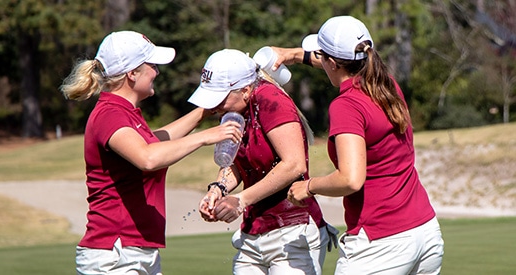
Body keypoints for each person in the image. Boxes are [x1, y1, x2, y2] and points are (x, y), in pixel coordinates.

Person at [59, 31, 243, 275]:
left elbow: (157, 141)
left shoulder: (125, 113)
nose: (157, 71)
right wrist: (205, 137)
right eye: (152, 65)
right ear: (132, 74)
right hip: (115, 253)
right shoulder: (110, 114)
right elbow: (148, 158)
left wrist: (203, 113)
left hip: (133, 251)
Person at [273, 16, 444, 274]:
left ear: (332, 62)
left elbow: (351, 180)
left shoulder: (346, 106)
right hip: (425, 232)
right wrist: (295, 55)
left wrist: (308, 186)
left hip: (381, 242)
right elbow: (342, 64)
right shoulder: (386, 83)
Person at [190, 49, 336, 275]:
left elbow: (294, 164)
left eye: (219, 97)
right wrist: (217, 189)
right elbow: (238, 163)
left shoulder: (270, 100)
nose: (213, 107)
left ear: (246, 90)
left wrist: (240, 200)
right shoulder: (234, 111)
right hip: (253, 232)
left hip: (291, 230)